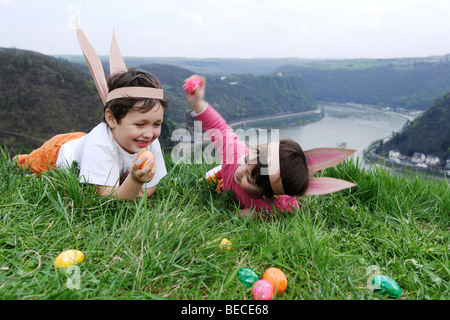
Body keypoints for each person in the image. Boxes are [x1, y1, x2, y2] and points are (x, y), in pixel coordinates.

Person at [14, 26, 169, 200]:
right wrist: (134, 181)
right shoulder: (99, 145)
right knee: (24, 165)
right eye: (140, 124)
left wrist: (137, 187)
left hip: (83, 141)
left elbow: (150, 188)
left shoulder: (149, 141)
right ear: (111, 118)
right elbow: (108, 198)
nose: (149, 133)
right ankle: (17, 160)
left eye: (157, 124)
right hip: (57, 152)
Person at [184, 75, 357, 218]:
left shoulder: (277, 204)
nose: (240, 170)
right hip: (224, 172)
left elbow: (288, 209)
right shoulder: (237, 157)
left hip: (246, 187)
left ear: (268, 195)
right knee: (210, 177)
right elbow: (220, 129)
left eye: (249, 179)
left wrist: (258, 215)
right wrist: (198, 104)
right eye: (247, 161)